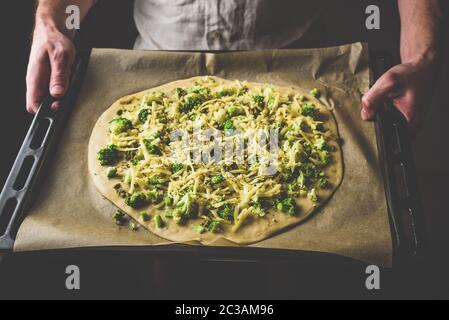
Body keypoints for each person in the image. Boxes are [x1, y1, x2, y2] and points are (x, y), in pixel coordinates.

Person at [26, 0, 443, 134]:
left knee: (294, 251)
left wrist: (421, 57)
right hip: (157, 73)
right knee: (158, 244)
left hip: (297, 74)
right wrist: (50, 22)